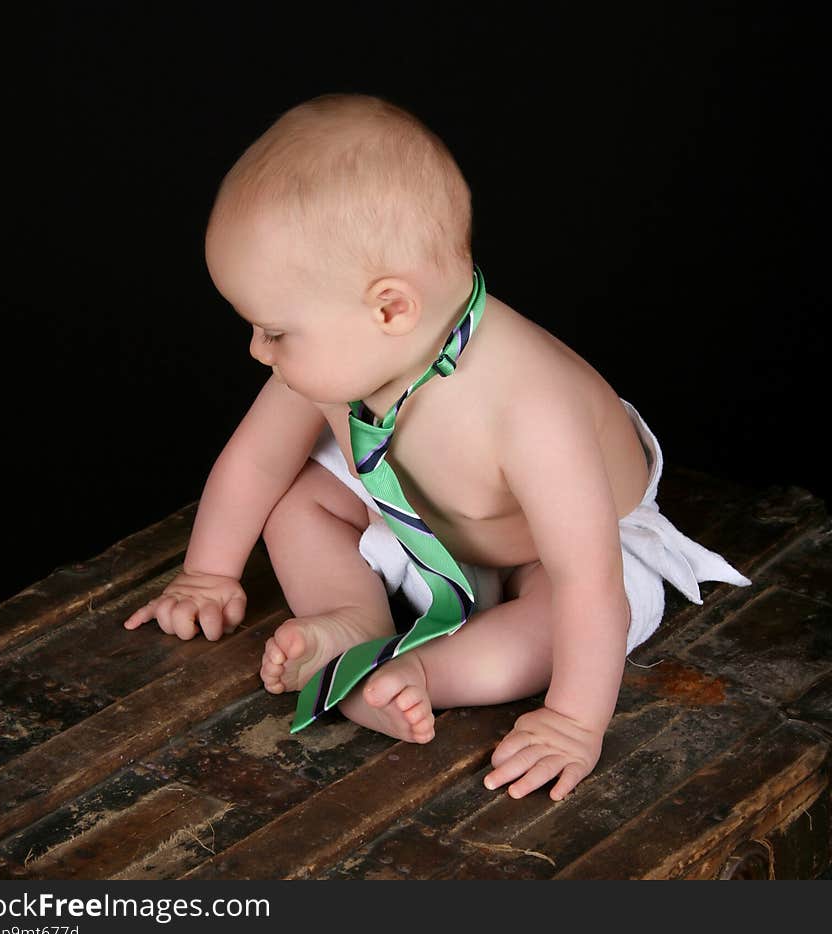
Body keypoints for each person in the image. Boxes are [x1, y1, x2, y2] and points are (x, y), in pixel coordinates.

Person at [124, 93, 750, 801]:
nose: (256, 349)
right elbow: (256, 462)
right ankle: (351, 615)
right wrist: (208, 574)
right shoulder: (345, 361)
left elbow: (587, 583)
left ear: (390, 307)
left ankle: (425, 674)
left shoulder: (532, 409)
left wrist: (575, 721)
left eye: (274, 330)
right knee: (296, 498)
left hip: (564, 553)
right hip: (423, 520)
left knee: (567, 617)